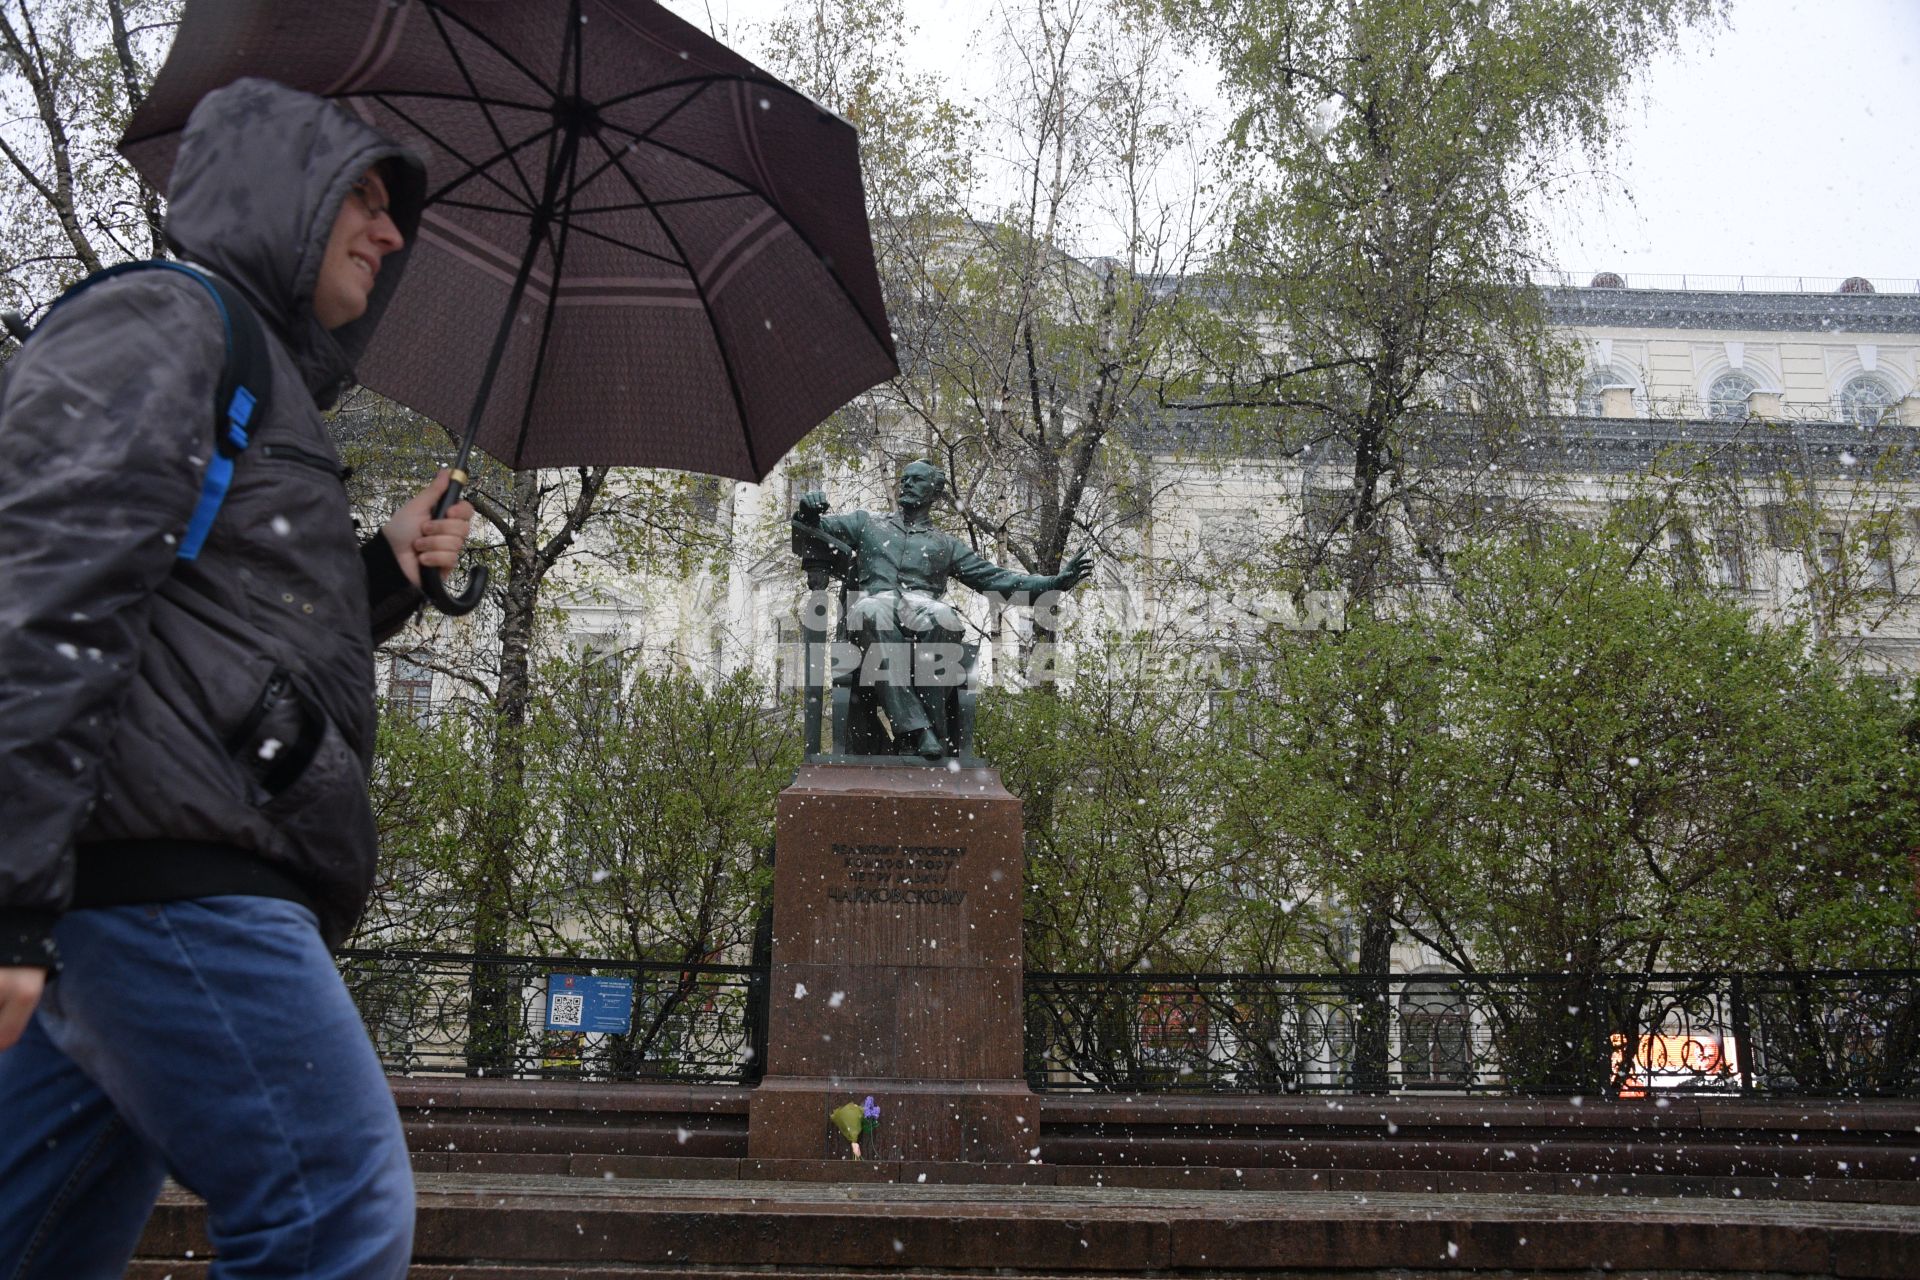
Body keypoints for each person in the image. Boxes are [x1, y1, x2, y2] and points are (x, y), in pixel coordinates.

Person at [0, 79, 471, 1278]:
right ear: (285, 200)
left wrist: (382, 574)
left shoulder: (262, 386)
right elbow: (38, 594)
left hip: (136, 879)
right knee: (338, 1212)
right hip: (166, 879)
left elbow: (205, 642)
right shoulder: (168, 319)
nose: (392, 230)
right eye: (364, 196)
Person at [794, 459, 1092, 757]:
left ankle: (919, 732)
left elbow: (1000, 580)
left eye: (916, 480)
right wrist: (807, 509)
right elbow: (810, 532)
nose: (906, 483)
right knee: (873, 610)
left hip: (922, 608)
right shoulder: (867, 523)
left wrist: (1056, 583)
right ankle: (922, 731)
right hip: (875, 605)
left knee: (946, 619)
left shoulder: (945, 545)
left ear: (935, 494)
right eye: (904, 478)